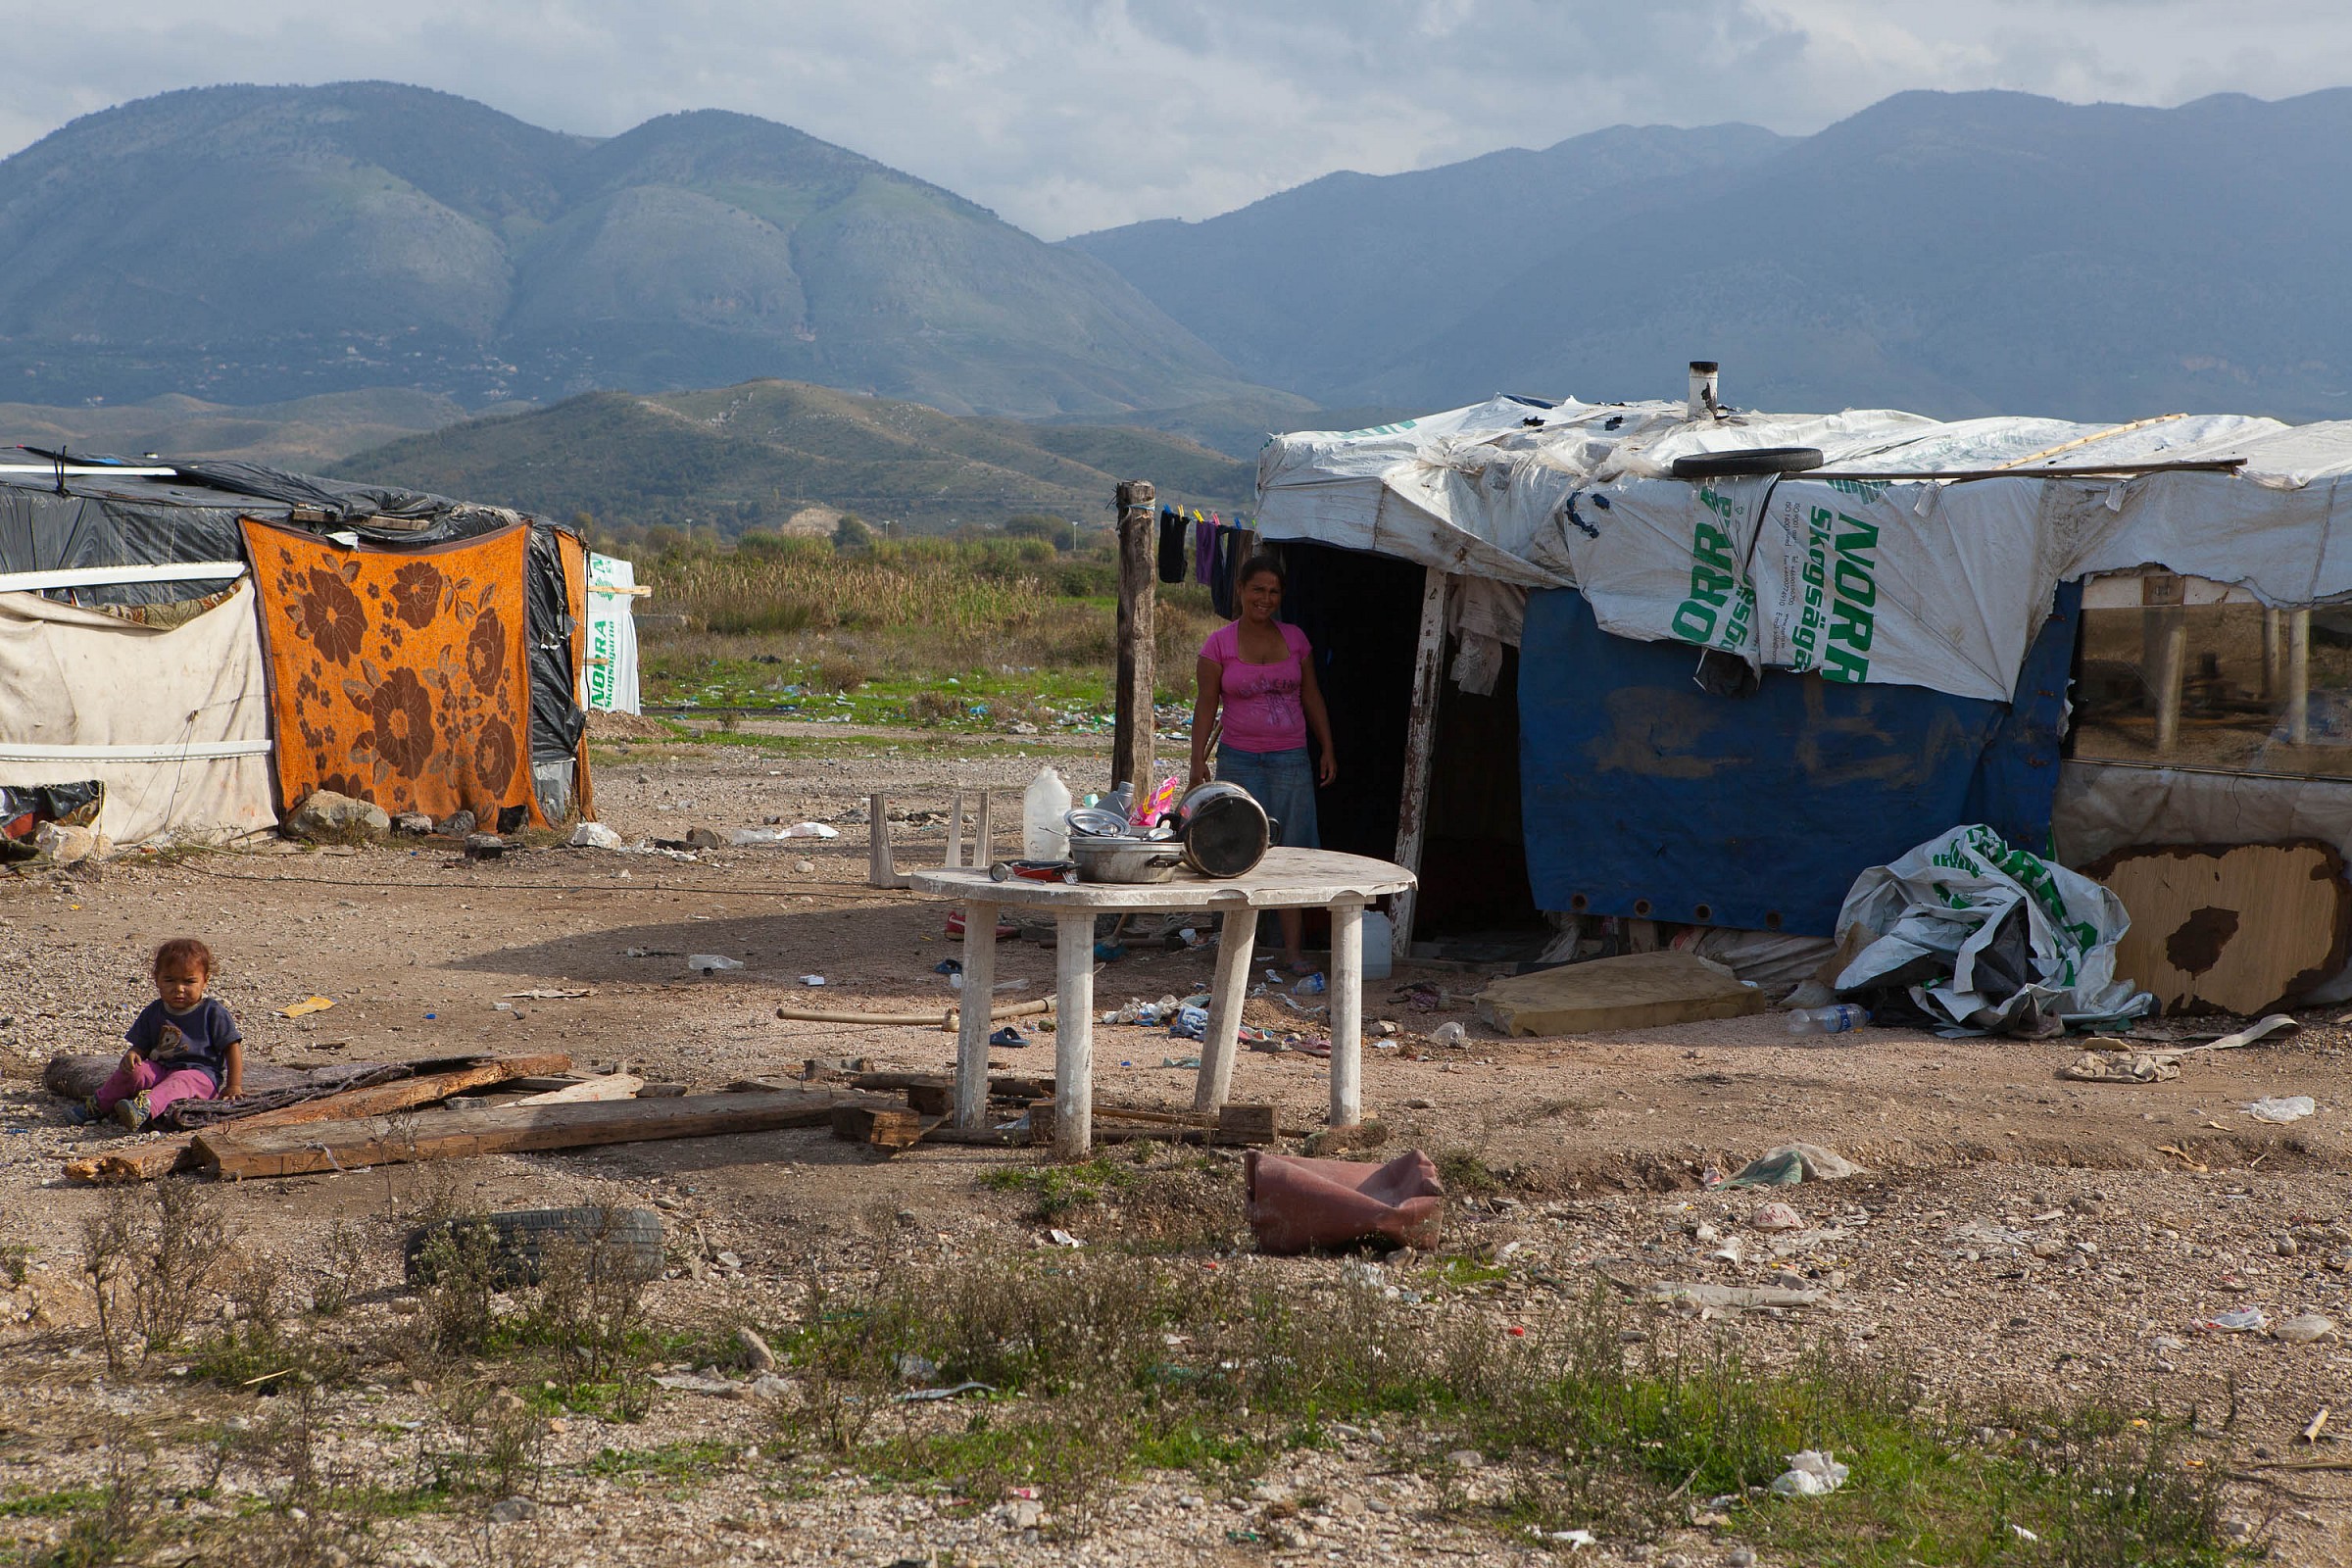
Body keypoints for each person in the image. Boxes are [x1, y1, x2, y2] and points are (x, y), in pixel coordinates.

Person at [1188, 554, 1337, 972]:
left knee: (1289, 854)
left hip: (1291, 759)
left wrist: (1326, 747)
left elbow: (1311, 697)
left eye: (1273, 592)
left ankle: (1292, 953)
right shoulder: (1218, 645)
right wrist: (1197, 761)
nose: (1265, 598)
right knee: (1239, 850)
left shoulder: (1295, 639)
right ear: (1240, 590)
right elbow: (1205, 706)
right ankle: (1237, 954)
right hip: (1239, 761)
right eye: (1257, 589)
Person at [85, 938, 244, 1132]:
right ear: (156, 978)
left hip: (200, 1075)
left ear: (205, 980)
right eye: (169, 980)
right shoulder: (155, 1011)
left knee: (179, 1082)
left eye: (189, 981)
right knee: (135, 1071)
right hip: (162, 1068)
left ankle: (144, 1108)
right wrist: (133, 1054)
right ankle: (99, 1104)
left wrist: (234, 1085)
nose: (179, 989)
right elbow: (141, 1045)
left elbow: (232, 1047)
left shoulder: (212, 1012)